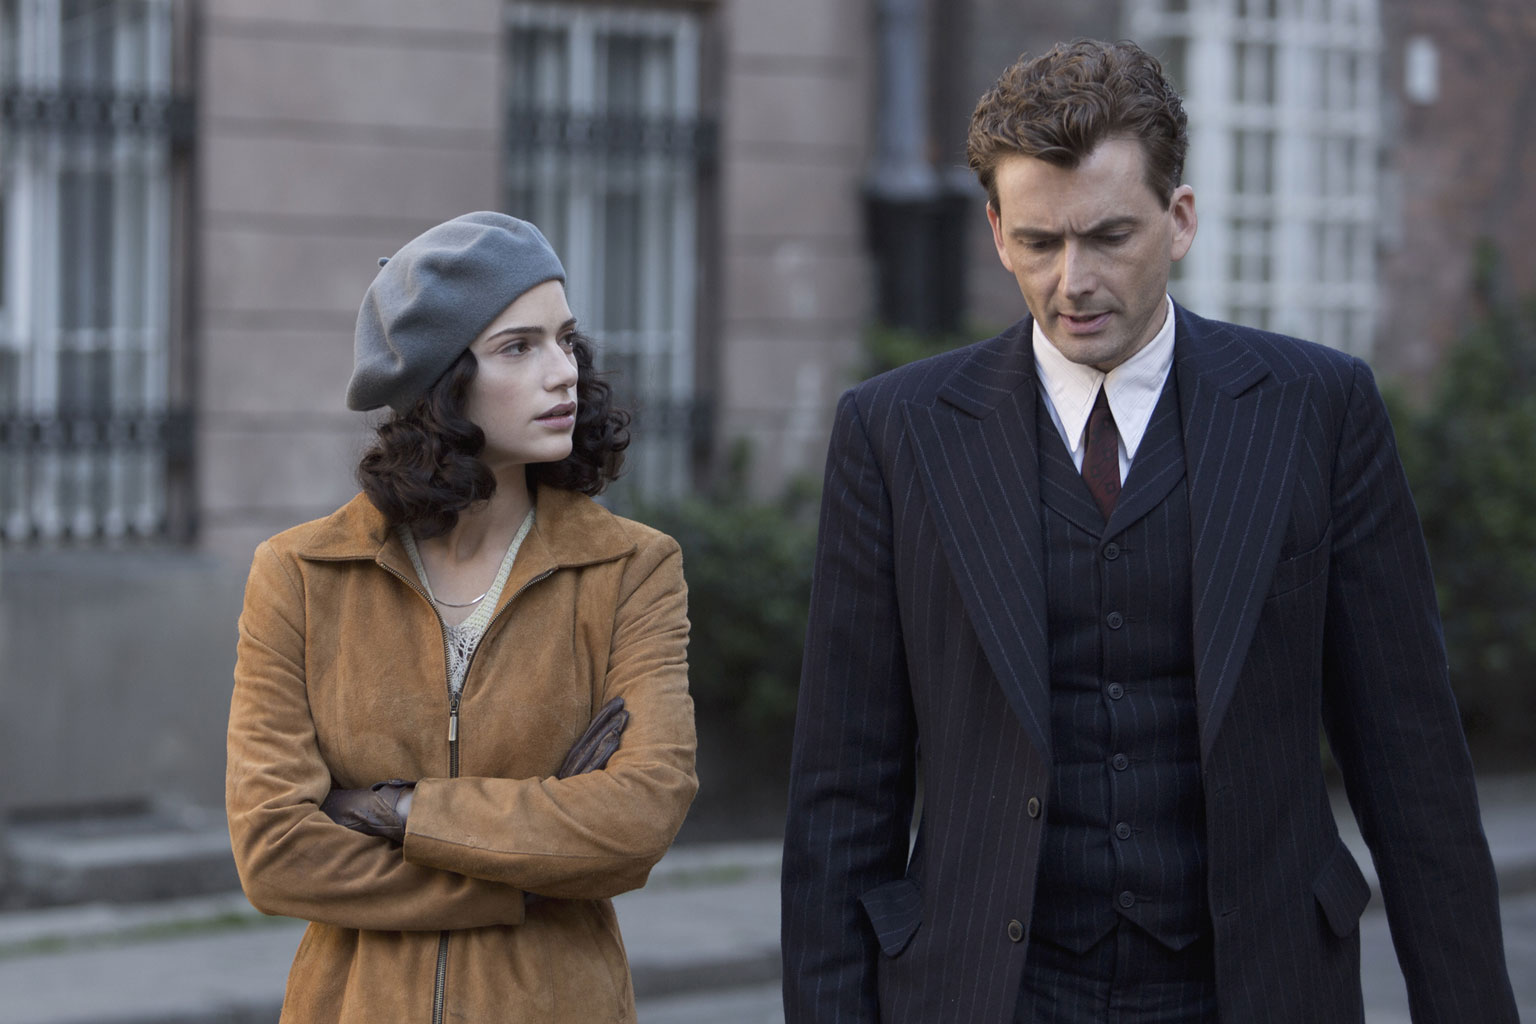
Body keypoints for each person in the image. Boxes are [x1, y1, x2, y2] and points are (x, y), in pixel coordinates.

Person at [781, 39, 1517, 1023]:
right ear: (996, 231)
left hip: (1256, 987)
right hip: (988, 990)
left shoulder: (1318, 408)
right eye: (1039, 241)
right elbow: (842, 794)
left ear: (1180, 220)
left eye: (1108, 235)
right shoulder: (895, 432)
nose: (1073, 281)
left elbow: (1412, 763)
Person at [226, 212, 697, 1023]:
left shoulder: (630, 569)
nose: (564, 373)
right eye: (519, 348)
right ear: (440, 383)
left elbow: (639, 817)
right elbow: (275, 854)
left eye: (566, 340)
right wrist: (528, 873)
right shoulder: (301, 576)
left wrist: (397, 810)